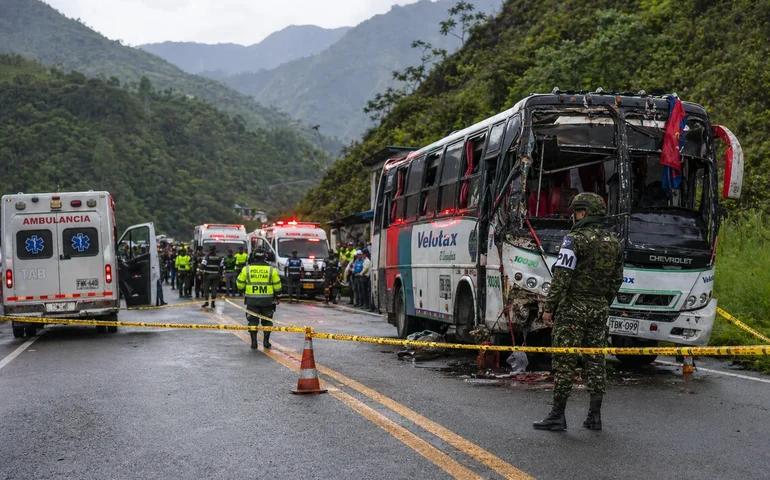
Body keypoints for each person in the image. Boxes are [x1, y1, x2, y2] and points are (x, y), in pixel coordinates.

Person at [533, 192, 624, 432]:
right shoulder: (614, 242)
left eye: (575, 212)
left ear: (582, 213)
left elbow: (561, 277)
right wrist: (603, 302)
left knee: (566, 359)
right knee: (596, 360)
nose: (573, 217)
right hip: (599, 309)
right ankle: (594, 416)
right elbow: (617, 279)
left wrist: (549, 308)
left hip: (573, 308)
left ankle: (557, 415)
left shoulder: (574, 240)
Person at [237, 250, 282, 350]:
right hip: (268, 301)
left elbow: (239, 284)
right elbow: (278, 285)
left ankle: (254, 342)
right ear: (265, 257)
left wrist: (243, 289)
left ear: (253, 257)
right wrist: (278, 296)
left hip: (251, 301)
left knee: (252, 321)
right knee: (267, 321)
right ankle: (266, 342)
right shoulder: (272, 270)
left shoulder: (246, 269)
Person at [200, 244, 224, 309]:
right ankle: (213, 303)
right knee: (214, 290)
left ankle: (206, 302)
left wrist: (199, 272)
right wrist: (220, 275)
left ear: (209, 250)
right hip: (216, 276)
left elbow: (202, 266)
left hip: (207, 275)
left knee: (206, 289)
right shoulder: (219, 258)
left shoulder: (206, 257)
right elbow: (222, 267)